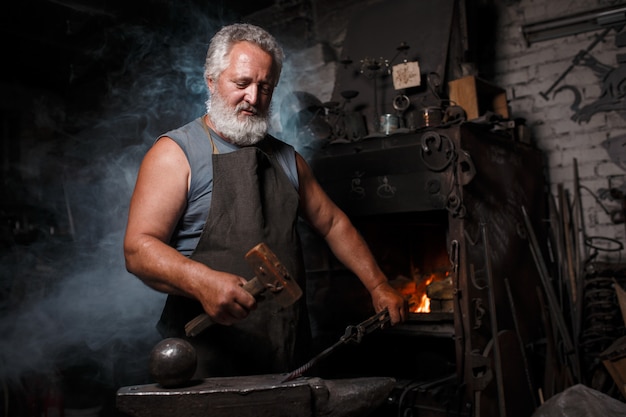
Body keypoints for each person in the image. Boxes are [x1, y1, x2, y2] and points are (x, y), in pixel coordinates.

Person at [123, 22, 407, 378]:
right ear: (211, 81)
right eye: (241, 84)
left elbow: (333, 224)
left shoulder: (288, 159)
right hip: (206, 363)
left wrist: (378, 284)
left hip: (285, 352)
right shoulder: (175, 154)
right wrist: (201, 281)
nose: (254, 98)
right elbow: (137, 250)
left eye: (265, 87)